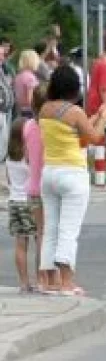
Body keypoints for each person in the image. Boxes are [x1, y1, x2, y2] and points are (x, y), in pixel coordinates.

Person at [38, 65, 106, 296]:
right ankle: (67, 283)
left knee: (51, 228)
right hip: (72, 174)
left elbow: (75, 131)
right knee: (69, 230)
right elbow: (93, 137)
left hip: (50, 173)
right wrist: (104, 116)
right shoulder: (74, 112)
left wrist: (95, 115)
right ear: (74, 87)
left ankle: (48, 280)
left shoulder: (44, 109)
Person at [6, 114, 43, 292]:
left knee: (21, 245)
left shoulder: (9, 157)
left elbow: (10, 181)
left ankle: (23, 282)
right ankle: (39, 280)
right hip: (30, 202)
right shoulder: (28, 156)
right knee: (39, 241)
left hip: (14, 202)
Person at [13, 50, 41, 118]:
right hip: (29, 111)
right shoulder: (30, 77)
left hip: (19, 109)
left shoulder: (18, 76)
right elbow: (30, 99)